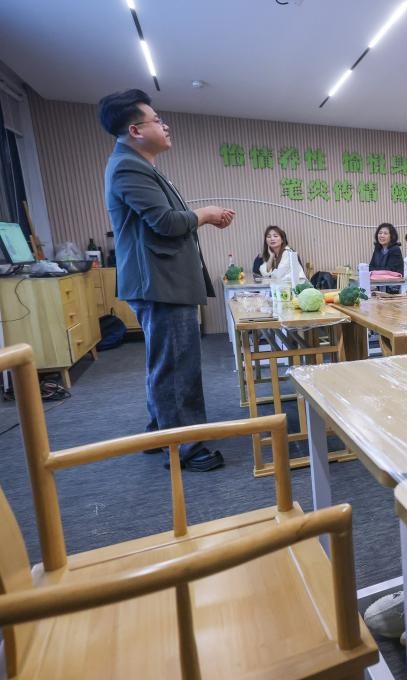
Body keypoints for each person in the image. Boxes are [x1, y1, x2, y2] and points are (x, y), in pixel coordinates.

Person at [99, 88, 234, 472]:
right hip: (160, 284)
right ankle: (185, 448)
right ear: (135, 130)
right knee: (177, 365)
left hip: (163, 282)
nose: (165, 125)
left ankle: (160, 430)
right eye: (156, 120)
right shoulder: (128, 167)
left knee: (165, 361)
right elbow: (166, 222)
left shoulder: (138, 165)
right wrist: (206, 214)